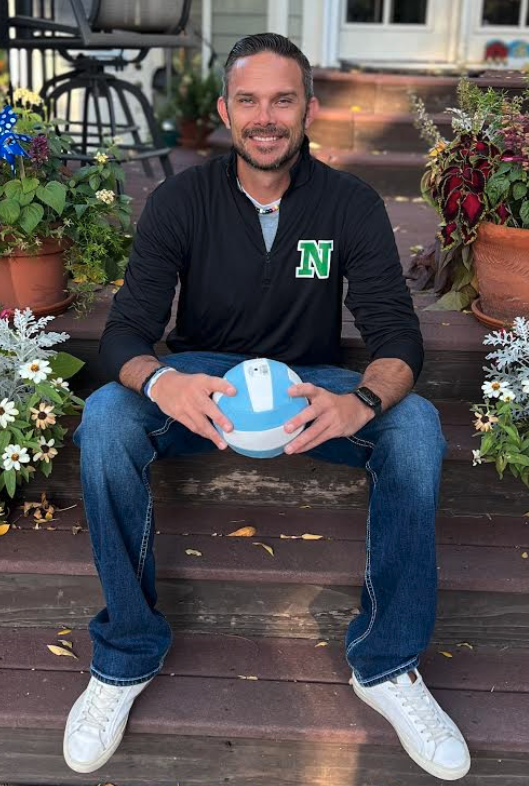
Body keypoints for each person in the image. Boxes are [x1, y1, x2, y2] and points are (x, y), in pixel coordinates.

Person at [63, 33, 471, 781]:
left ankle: (386, 664)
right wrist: (160, 383)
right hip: (203, 388)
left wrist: (361, 402)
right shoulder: (180, 200)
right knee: (106, 420)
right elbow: (124, 333)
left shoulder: (349, 204)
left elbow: (395, 335)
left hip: (305, 388)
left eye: (283, 99)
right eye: (248, 100)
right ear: (224, 110)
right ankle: (126, 653)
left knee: (414, 427)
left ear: (308, 109)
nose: (265, 117)